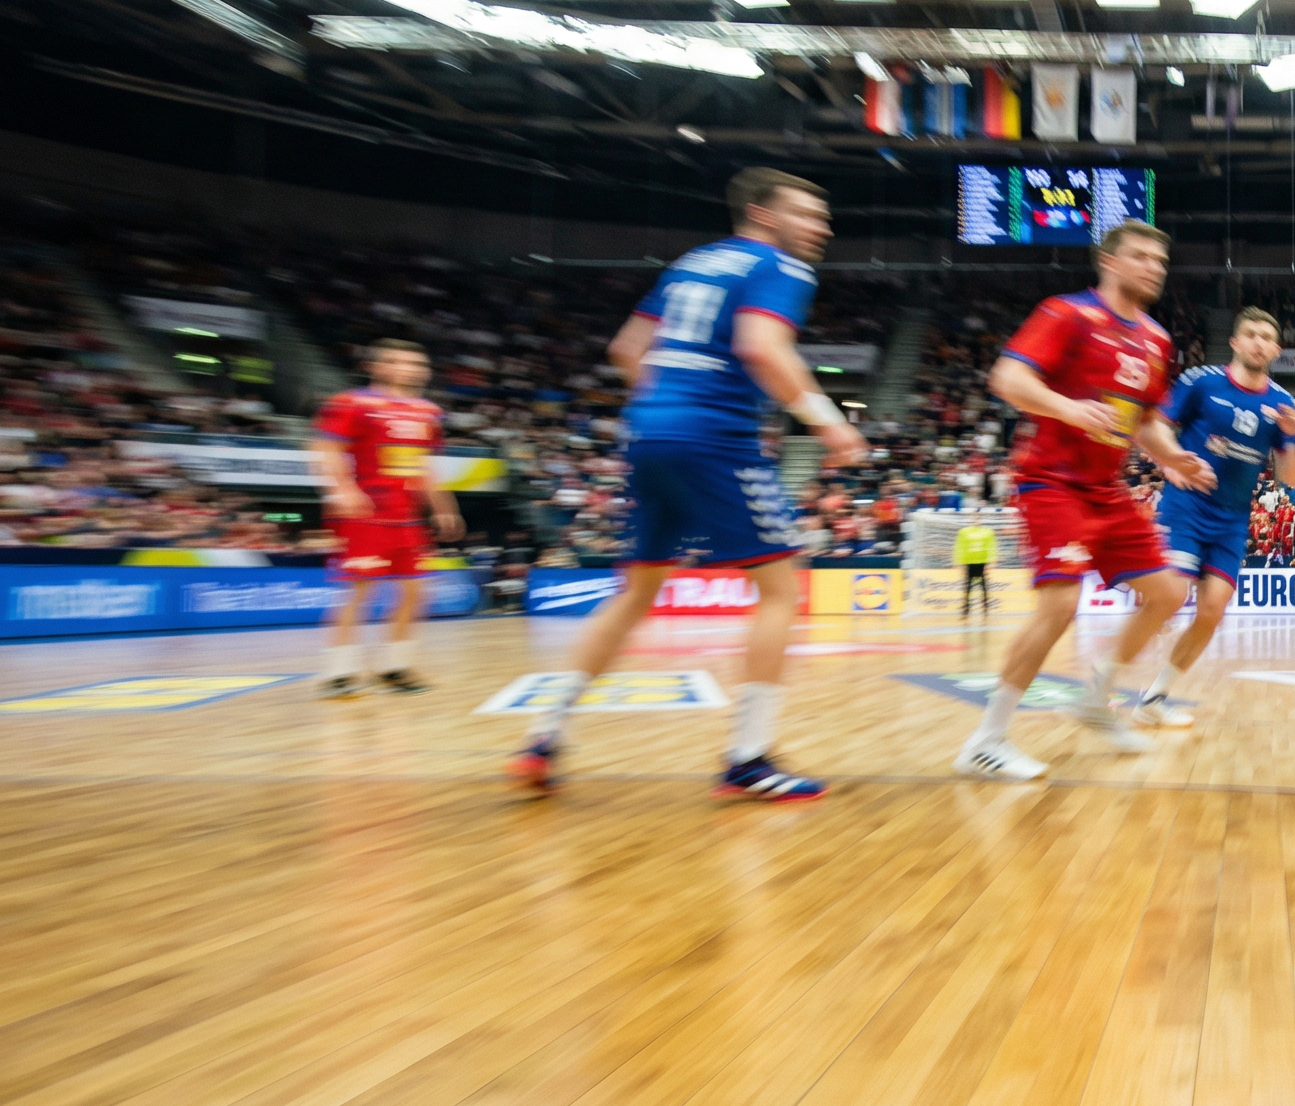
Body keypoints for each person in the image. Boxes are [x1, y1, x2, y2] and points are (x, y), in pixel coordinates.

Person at [511, 168, 869, 801]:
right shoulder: (781, 268)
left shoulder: (692, 263)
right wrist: (829, 424)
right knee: (782, 590)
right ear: (762, 217)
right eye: (808, 214)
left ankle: (542, 736)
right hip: (714, 436)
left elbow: (627, 349)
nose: (822, 227)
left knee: (636, 592)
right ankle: (747, 758)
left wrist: (668, 408)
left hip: (649, 430)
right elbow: (762, 347)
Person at [956, 222, 1216, 781]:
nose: (1154, 267)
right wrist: (1068, 408)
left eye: (1160, 259)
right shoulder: (1067, 314)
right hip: (1050, 480)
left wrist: (1173, 457)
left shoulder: (1156, 340)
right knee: (1058, 606)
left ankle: (1095, 700)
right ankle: (987, 740)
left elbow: (1144, 422)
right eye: (1141, 256)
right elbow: (1007, 378)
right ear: (1110, 262)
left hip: (1106, 489)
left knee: (1169, 592)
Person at [1138, 307, 1295, 730]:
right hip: (1187, 506)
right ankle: (1102, 681)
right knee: (1172, 595)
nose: (1258, 341)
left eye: (1266, 336)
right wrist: (1171, 460)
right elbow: (1154, 427)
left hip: (1233, 519)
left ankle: (1154, 698)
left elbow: (1292, 478)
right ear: (1235, 341)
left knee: (1212, 610)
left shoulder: (1283, 404)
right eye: (1250, 333)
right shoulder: (1201, 381)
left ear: (1276, 349)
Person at [312, 338, 462, 697]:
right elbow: (324, 448)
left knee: (416, 592)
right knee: (358, 592)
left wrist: (443, 506)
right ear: (377, 367)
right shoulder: (351, 403)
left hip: (408, 518)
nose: (411, 369)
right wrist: (343, 489)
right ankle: (339, 672)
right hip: (367, 514)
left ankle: (395, 668)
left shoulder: (429, 412)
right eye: (399, 362)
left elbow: (423, 465)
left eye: (416, 363)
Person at [952, 513, 999, 618]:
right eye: (974, 518)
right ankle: (966, 610)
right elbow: (960, 547)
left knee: (984, 586)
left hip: (982, 562)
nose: (976, 520)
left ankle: (985, 608)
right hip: (969, 562)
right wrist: (959, 562)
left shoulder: (987, 532)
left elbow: (991, 546)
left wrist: (991, 561)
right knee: (968, 587)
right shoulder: (964, 532)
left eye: (978, 518)